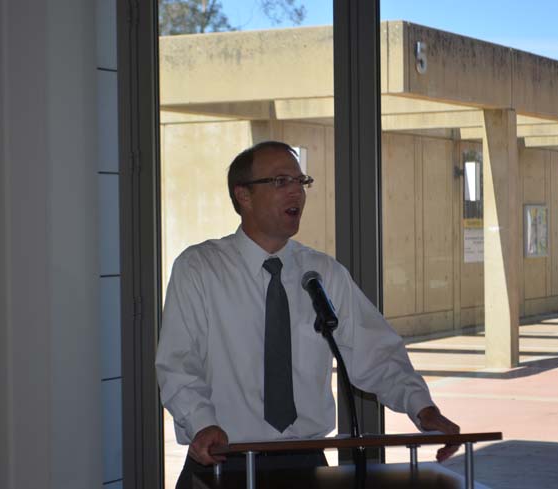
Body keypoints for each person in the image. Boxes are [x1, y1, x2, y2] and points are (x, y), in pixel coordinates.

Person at [156, 141, 460, 488]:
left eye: (301, 182)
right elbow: (178, 364)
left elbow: (374, 354)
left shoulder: (322, 274)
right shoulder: (200, 268)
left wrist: (423, 408)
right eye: (281, 181)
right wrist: (201, 424)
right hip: (224, 460)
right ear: (244, 196)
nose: (296, 192)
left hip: (306, 461)